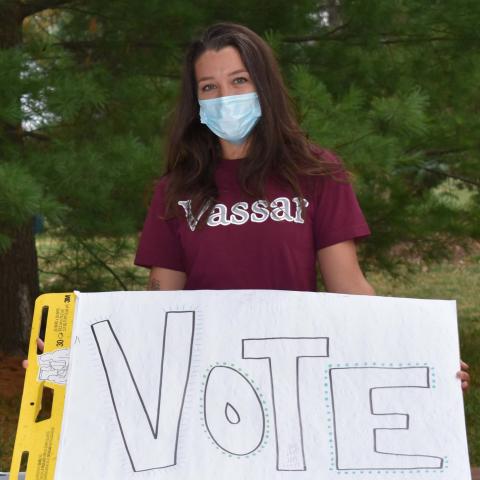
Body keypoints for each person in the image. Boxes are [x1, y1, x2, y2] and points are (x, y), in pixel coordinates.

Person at [134, 23, 470, 390]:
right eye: (209, 87)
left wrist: (421, 355)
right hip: (205, 380)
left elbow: (350, 289)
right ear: (196, 102)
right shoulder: (176, 189)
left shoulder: (314, 172)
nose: (225, 96)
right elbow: (160, 307)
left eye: (240, 81)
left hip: (294, 378)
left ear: (264, 87)